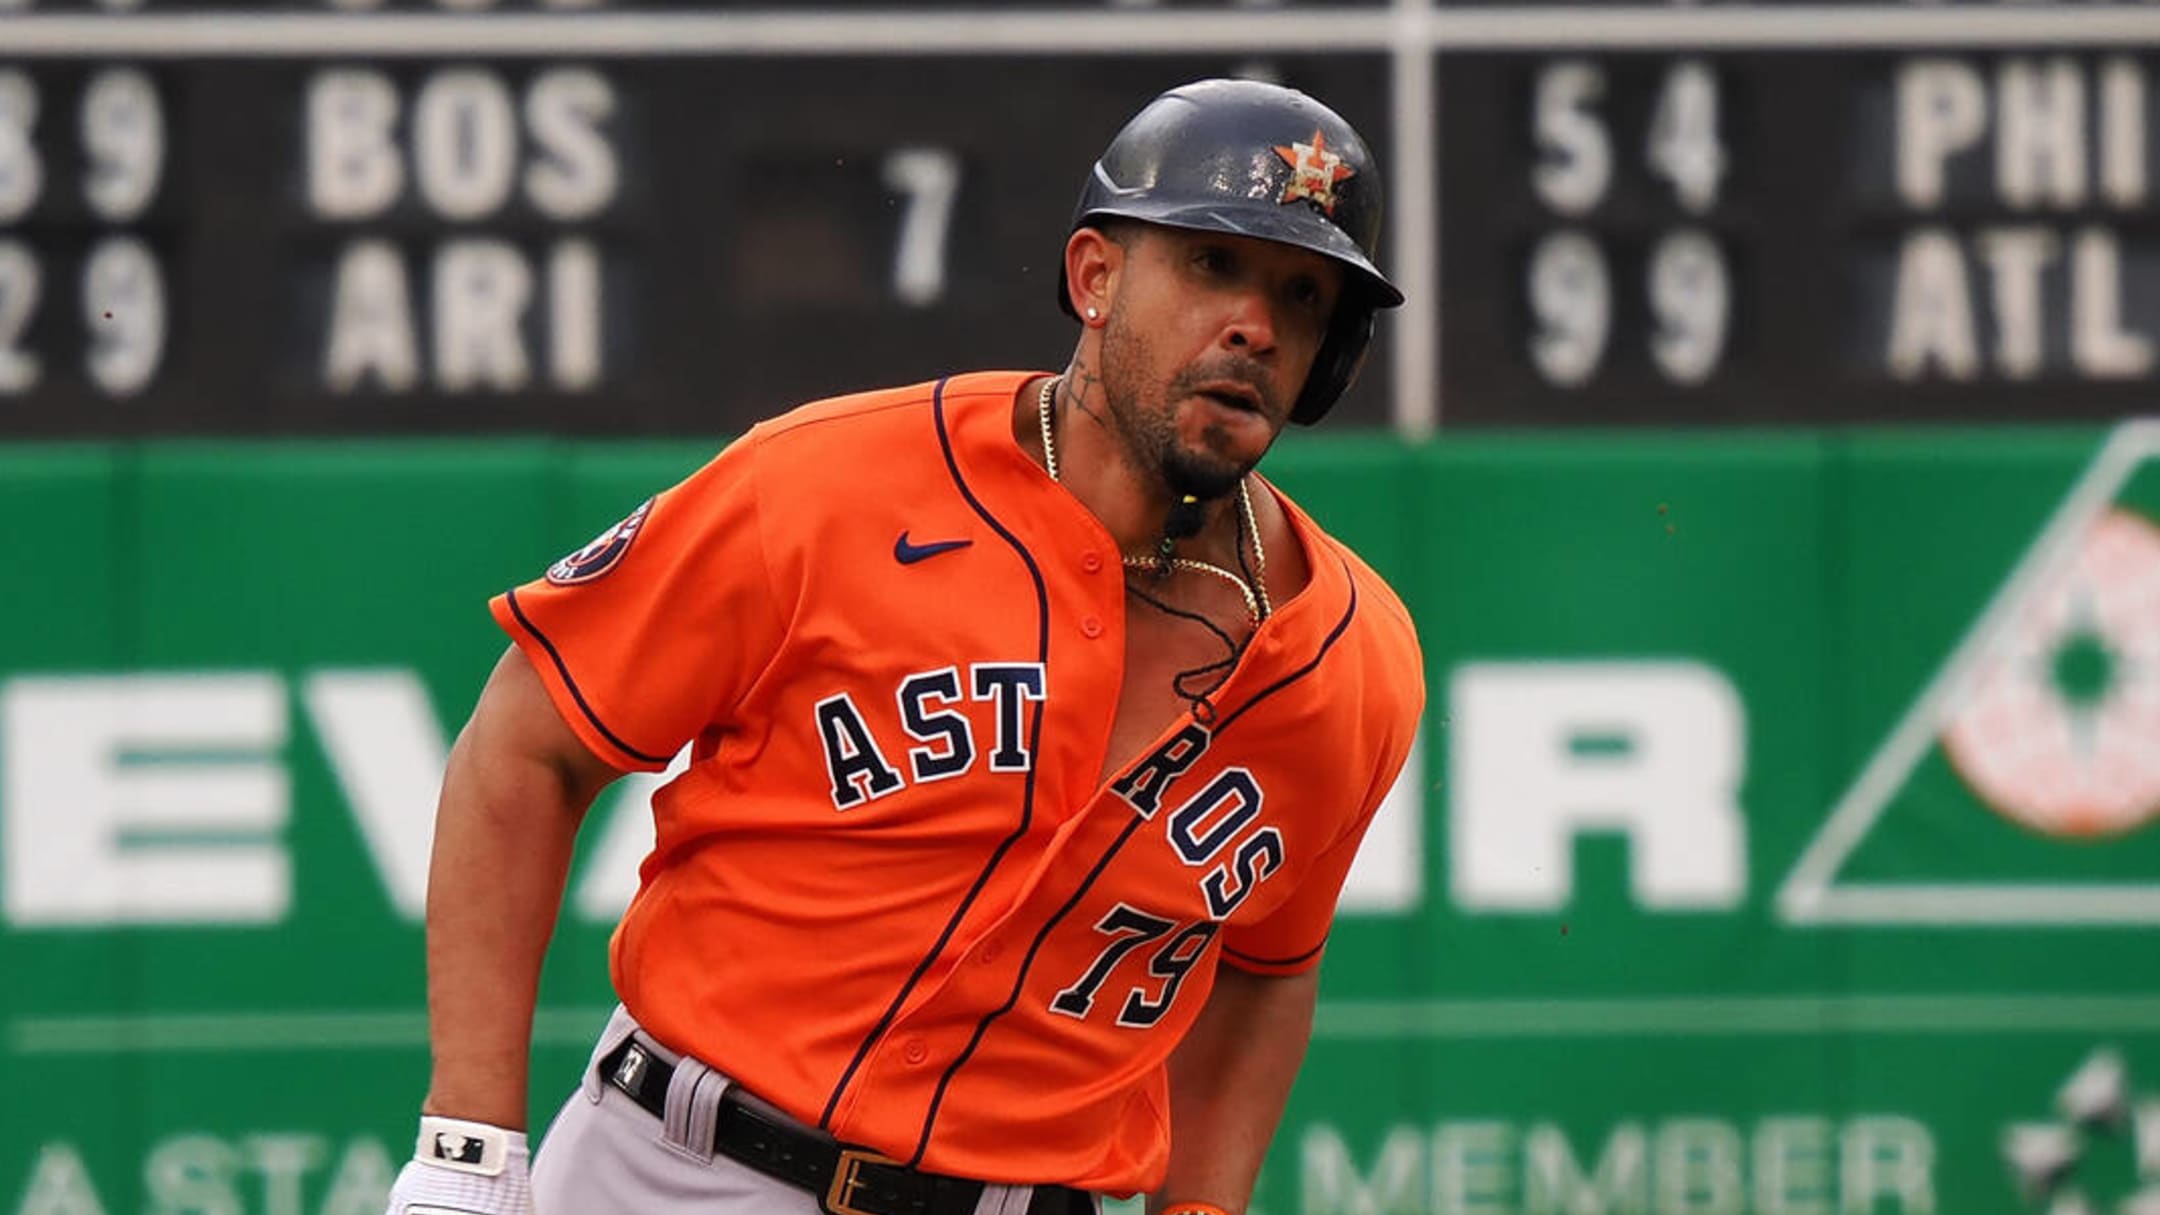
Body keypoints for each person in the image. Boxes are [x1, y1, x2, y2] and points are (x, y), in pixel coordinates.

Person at [383, 77, 1424, 1215]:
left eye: (1304, 297)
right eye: (1212, 265)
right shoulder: (828, 487)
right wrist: (466, 1145)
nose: (1256, 326)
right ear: (1096, 276)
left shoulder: (1353, 662)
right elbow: (528, 747)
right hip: (683, 1172)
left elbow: (1265, 973)